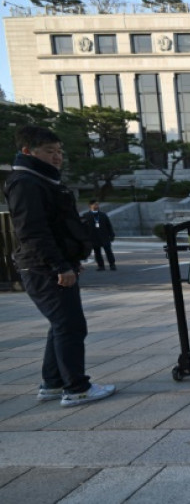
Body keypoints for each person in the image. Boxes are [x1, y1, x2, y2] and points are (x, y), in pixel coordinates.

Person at [3, 125, 116, 408]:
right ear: (28, 151)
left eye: (59, 151)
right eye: (50, 152)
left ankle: (52, 384)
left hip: (50, 265)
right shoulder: (26, 182)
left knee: (61, 325)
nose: (57, 157)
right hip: (43, 267)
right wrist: (59, 266)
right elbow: (33, 231)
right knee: (70, 326)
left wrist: (70, 261)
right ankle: (76, 388)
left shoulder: (41, 180)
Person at [82, 199, 116, 271]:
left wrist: (112, 234)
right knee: (97, 252)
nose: (97, 206)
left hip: (104, 236)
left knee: (108, 251)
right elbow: (83, 228)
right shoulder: (86, 216)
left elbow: (108, 225)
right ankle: (101, 266)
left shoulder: (103, 215)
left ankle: (112, 264)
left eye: (97, 204)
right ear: (90, 206)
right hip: (93, 237)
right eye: (95, 204)